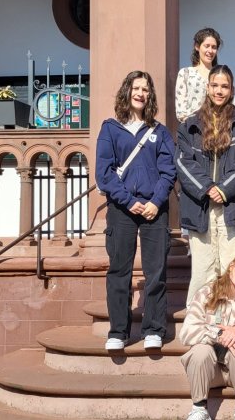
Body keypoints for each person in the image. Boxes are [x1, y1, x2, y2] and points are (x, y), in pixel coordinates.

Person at [95, 71, 176, 351]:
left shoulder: (160, 131)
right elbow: (104, 173)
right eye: (136, 88)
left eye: (145, 89)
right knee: (120, 270)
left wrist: (156, 201)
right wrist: (128, 200)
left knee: (156, 271)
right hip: (122, 208)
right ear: (127, 91)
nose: (140, 93)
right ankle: (118, 331)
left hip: (155, 209)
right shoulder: (110, 128)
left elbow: (168, 171)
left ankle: (153, 329)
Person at [176, 65, 235, 306]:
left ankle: (233, 328)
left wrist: (223, 189)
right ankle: (199, 328)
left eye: (224, 86)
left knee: (234, 270)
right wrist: (207, 189)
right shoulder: (189, 126)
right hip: (200, 207)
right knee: (203, 271)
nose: (219, 91)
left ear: (231, 89)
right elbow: (183, 162)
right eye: (215, 85)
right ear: (208, 87)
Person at [179, 250, 235, 420]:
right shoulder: (207, 292)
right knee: (200, 351)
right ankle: (199, 408)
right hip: (209, 372)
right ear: (232, 265)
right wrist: (220, 334)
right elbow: (187, 332)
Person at [176, 28, 222, 123]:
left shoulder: (221, 74)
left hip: (219, 129)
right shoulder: (185, 73)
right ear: (197, 46)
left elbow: (230, 105)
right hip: (192, 130)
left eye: (214, 47)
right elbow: (181, 112)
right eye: (206, 46)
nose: (210, 50)